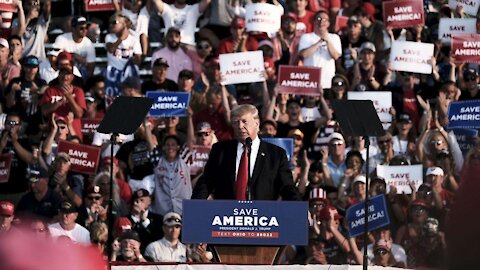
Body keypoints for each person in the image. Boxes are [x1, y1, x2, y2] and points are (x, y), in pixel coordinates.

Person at [192, 104, 301, 200]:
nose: (240, 126)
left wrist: (300, 209)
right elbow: (206, 182)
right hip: (226, 217)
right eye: (235, 122)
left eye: (244, 121)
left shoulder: (276, 154)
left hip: (263, 217)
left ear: (257, 124)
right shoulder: (220, 150)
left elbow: (287, 187)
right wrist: (195, 206)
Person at [298, 10, 341, 89]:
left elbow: (335, 56)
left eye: (325, 20)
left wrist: (327, 40)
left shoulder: (334, 37)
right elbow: (304, 54)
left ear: (328, 23)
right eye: (319, 19)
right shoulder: (306, 37)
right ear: (314, 22)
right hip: (309, 82)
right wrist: (319, 42)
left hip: (328, 82)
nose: (321, 22)